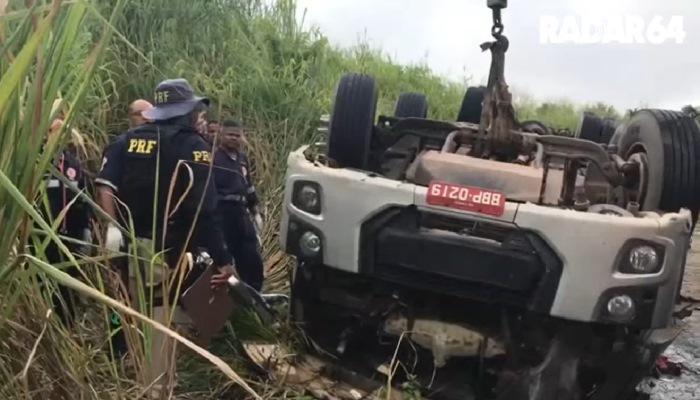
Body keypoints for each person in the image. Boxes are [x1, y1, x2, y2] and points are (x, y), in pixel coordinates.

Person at [95, 79, 235, 396]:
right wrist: (223, 259)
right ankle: (156, 386)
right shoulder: (192, 147)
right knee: (159, 321)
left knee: (124, 305)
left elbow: (105, 186)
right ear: (185, 112)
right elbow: (205, 209)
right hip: (166, 252)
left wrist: (112, 227)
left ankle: (121, 360)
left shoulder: (125, 141)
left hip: (127, 246)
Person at [41, 118, 90, 325]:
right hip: (41, 239)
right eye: (56, 131)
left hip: (69, 237)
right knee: (43, 286)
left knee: (67, 287)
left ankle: (67, 328)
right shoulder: (36, 161)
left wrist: (86, 232)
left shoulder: (72, 163)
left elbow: (83, 200)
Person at [213, 119, 265, 291]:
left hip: (241, 213)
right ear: (221, 135)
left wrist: (255, 211)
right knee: (224, 255)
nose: (234, 138)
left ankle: (254, 294)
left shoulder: (242, 159)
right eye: (230, 135)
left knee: (251, 257)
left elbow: (248, 186)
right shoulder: (213, 157)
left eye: (237, 135)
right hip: (222, 212)